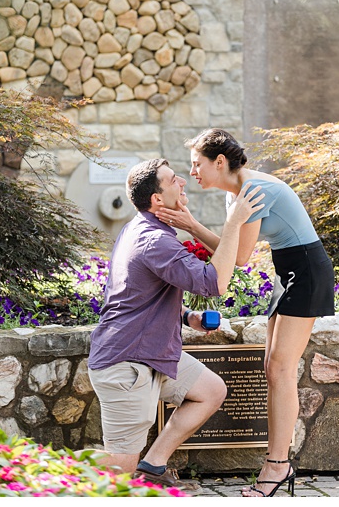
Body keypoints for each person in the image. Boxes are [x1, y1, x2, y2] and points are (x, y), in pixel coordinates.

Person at [155, 128, 335, 499]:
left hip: (305, 269)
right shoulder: (235, 194)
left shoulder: (254, 192)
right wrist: (193, 225)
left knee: (281, 369)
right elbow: (235, 249)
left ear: (219, 162)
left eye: (197, 164)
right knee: (273, 368)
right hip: (289, 270)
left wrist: (190, 225)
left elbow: (236, 259)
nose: (193, 173)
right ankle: (278, 463)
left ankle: (277, 466)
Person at [87, 158, 262, 492]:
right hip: (127, 364)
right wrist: (234, 222)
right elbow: (214, 282)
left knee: (210, 391)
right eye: (172, 180)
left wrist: (186, 317)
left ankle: (152, 465)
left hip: (153, 353)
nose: (182, 181)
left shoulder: (142, 229)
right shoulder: (156, 241)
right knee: (117, 470)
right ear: (157, 199)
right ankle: (32, 465)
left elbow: (136, 295)